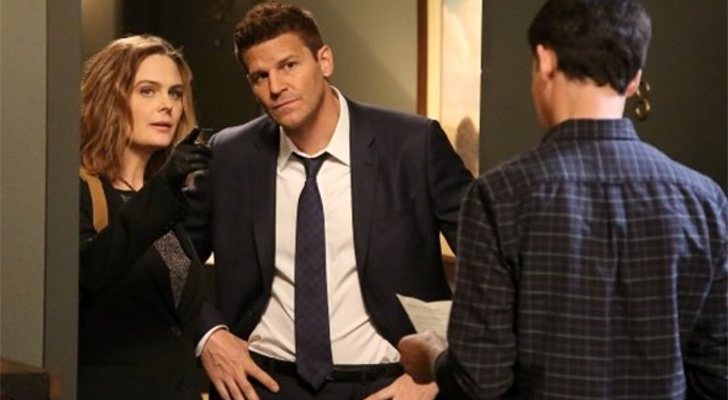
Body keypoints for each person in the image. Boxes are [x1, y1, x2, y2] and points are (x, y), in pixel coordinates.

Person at [398, 0, 728, 398]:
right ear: (633, 81)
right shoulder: (705, 201)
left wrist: (434, 357)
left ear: (545, 60)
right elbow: (717, 375)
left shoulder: (499, 196)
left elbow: (480, 382)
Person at [186, 2, 474, 399]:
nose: (276, 86)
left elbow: (491, 265)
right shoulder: (230, 154)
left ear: (324, 60)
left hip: (391, 386)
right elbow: (171, 260)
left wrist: (441, 368)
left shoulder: (412, 144)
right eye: (260, 76)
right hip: (263, 385)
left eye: (289, 65)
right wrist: (209, 335)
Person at [78, 35, 212, 400]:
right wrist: (164, 188)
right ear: (110, 98)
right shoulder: (80, 188)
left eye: (175, 93)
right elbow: (88, 273)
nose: (167, 105)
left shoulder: (170, 200)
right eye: (148, 91)